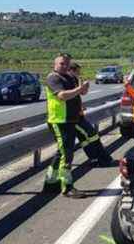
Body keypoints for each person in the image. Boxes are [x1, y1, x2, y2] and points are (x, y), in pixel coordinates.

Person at [44, 53, 88, 197]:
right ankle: (67, 186)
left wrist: (83, 88)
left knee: (61, 152)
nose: (64, 66)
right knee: (66, 154)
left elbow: (81, 93)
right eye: (61, 63)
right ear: (55, 64)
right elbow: (62, 95)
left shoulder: (70, 77)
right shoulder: (53, 78)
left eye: (66, 63)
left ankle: (50, 183)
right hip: (59, 120)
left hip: (70, 119)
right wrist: (78, 90)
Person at [68, 62, 113, 167]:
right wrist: (81, 87)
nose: (79, 73)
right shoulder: (66, 81)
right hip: (72, 117)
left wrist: (84, 86)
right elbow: (71, 95)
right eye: (77, 72)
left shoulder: (75, 79)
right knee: (92, 135)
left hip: (78, 114)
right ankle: (103, 158)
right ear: (71, 70)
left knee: (86, 139)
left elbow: (82, 93)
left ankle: (95, 158)